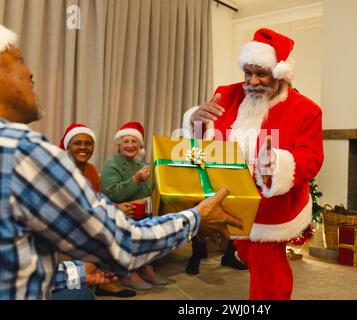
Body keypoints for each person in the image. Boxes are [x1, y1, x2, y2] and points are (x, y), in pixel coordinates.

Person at [0, 24, 242, 300]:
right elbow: (120, 239)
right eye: (18, 60)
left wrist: (77, 273)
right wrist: (197, 217)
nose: (30, 72)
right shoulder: (22, 150)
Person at [182, 28, 324, 299]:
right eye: (248, 73)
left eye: (261, 74)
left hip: (270, 203)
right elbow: (207, 143)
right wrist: (196, 122)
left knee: (267, 265)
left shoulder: (306, 110)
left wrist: (277, 164)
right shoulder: (227, 94)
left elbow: (312, 158)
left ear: (280, 74)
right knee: (248, 251)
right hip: (227, 193)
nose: (252, 81)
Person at [59, 123, 136, 298]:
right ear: (67, 146)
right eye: (77, 143)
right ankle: (86, 277)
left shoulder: (91, 170)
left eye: (88, 143)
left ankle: (107, 278)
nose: (84, 148)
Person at [101, 121, 168, 290]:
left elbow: (148, 193)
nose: (130, 145)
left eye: (134, 142)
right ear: (119, 144)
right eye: (126, 141)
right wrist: (136, 179)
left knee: (156, 225)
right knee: (132, 228)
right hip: (119, 214)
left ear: (140, 145)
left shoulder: (143, 165)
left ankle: (147, 268)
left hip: (141, 213)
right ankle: (129, 274)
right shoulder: (112, 163)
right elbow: (112, 193)